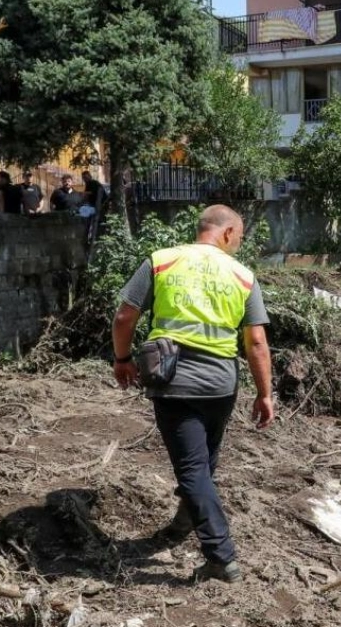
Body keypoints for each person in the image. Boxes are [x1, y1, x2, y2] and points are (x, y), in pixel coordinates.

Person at [111, 205, 274, 584]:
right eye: (241, 237)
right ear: (229, 233)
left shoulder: (162, 261)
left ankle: (221, 557)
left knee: (193, 469)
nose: (240, 243)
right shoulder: (243, 276)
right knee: (202, 465)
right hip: (221, 386)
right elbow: (257, 343)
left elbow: (124, 318)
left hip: (174, 383)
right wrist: (265, 394)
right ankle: (185, 521)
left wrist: (122, 358)